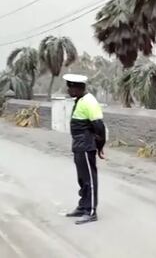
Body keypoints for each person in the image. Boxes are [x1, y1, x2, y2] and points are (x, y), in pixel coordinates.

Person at [63, 74, 106, 225]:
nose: (68, 89)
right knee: (82, 179)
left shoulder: (89, 101)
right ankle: (83, 206)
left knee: (90, 180)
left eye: (70, 87)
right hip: (79, 145)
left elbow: (99, 127)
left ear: (78, 88)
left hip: (87, 146)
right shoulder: (80, 100)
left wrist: (100, 147)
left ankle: (91, 212)